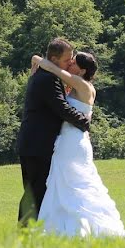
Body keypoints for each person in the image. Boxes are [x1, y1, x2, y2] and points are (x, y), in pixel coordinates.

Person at [31, 50, 125, 238]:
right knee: (72, 183)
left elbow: (52, 68)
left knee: (71, 184)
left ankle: (73, 229)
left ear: (82, 70)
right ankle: (69, 226)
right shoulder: (85, 87)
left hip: (72, 142)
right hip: (76, 141)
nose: (69, 65)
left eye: (74, 63)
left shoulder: (80, 84)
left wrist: (35, 59)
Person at [17, 38, 90, 224]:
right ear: (54, 59)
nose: (70, 63)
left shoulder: (44, 75)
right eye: (67, 60)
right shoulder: (48, 79)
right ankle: (25, 236)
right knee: (35, 193)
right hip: (37, 145)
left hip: (33, 143)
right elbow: (62, 108)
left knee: (36, 192)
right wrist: (85, 121)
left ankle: (31, 234)